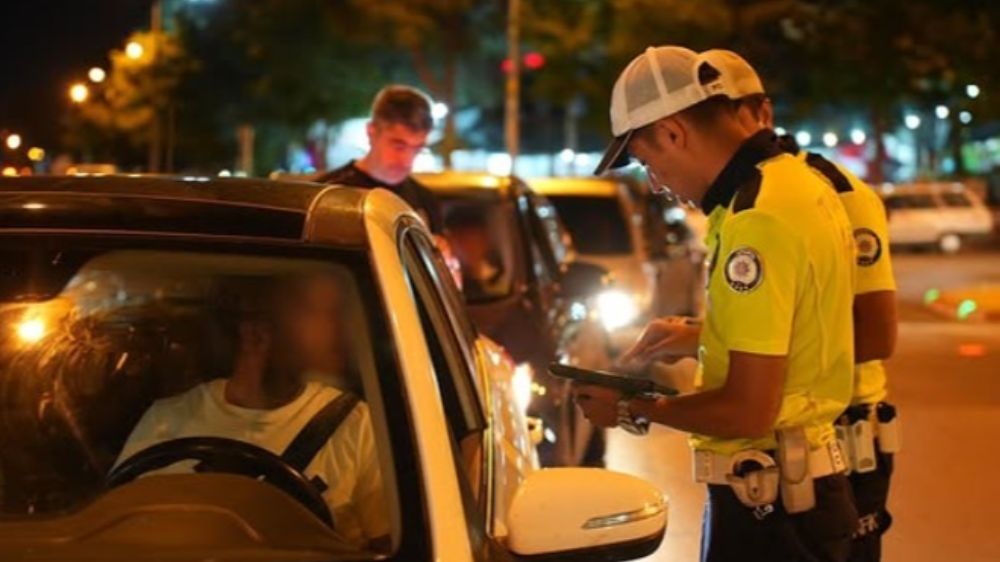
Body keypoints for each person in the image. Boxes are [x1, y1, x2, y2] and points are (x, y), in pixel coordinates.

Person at [577, 45, 858, 562]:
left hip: (774, 512)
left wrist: (630, 407)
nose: (657, 184)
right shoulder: (795, 185)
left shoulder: (759, 217)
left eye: (647, 162)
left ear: (672, 133)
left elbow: (748, 409)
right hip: (798, 498)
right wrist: (698, 337)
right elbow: (800, 332)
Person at [701, 48, 900, 562]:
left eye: (732, 113)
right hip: (791, 439)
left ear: (762, 112)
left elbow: (875, 335)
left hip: (839, 434)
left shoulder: (829, 193)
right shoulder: (745, 200)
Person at [115, 272, 389, 551]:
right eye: (313, 314)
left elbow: (390, 547)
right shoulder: (166, 419)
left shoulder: (356, 425)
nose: (334, 331)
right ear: (254, 334)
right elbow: (111, 534)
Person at [316, 85, 443, 232]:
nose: (407, 161)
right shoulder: (327, 196)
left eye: (417, 149)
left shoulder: (426, 200)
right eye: (399, 146)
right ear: (371, 132)